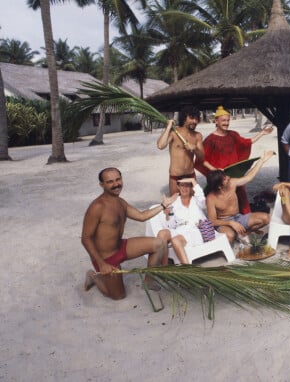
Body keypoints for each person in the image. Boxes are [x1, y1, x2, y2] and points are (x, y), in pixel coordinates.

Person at [82, 167, 178, 300]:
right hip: (105, 258)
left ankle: (149, 281)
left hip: (120, 247)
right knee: (118, 296)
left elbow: (141, 216)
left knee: (159, 244)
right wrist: (102, 264)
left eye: (118, 179)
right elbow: (86, 238)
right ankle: (94, 276)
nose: (116, 184)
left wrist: (163, 205)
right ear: (102, 185)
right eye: (110, 182)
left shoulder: (120, 202)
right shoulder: (97, 207)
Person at [196, 105, 273, 214]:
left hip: (235, 173)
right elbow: (202, 160)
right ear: (216, 121)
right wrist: (215, 170)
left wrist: (262, 133)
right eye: (223, 120)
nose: (226, 123)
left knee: (241, 197)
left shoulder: (233, 134)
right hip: (221, 177)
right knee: (222, 199)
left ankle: (246, 220)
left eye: (228, 120)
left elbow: (247, 142)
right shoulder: (210, 140)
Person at [205, 150, 275, 244]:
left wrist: (261, 161)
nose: (228, 177)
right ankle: (237, 234)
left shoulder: (232, 183)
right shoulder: (210, 198)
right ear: (219, 186)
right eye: (225, 179)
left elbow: (249, 177)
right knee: (230, 236)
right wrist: (230, 223)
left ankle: (243, 233)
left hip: (238, 217)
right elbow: (212, 221)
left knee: (266, 218)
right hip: (224, 222)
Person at [156, 177, 207, 265]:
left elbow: (203, 202)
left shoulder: (197, 200)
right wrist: (167, 215)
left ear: (191, 188)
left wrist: (193, 181)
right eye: (182, 186)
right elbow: (171, 226)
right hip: (180, 230)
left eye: (187, 186)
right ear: (178, 187)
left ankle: (187, 268)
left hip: (195, 231)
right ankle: (165, 267)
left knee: (175, 240)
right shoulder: (174, 202)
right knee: (162, 233)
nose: (184, 188)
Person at [156, 105, 205, 195]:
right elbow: (160, 145)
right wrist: (168, 127)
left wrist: (194, 148)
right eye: (192, 118)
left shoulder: (197, 136)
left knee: (193, 204)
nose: (195, 121)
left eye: (196, 119)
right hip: (175, 176)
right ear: (184, 118)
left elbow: (202, 157)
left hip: (190, 175)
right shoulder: (174, 133)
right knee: (176, 204)